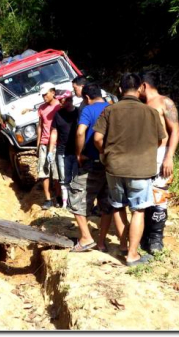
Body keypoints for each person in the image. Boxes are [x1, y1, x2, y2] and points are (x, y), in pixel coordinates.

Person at [93, 73, 165, 266]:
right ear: (140, 88)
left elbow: (97, 139)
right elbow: (160, 140)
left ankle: (123, 246)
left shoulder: (110, 111)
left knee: (118, 206)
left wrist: (106, 154)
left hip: (114, 167)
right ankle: (132, 255)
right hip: (140, 170)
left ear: (119, 89)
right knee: (138, 210)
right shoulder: (151, 112)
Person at [67, 82, 114, 252]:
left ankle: (86, 238)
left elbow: (80, 132)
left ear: (87, 97)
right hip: (110, 164)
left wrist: (79, 153)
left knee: (75, 197)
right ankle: (101, 243)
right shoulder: (112, 107)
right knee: (106, 204)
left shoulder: (88, 109)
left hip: (92, 162)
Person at [139, 70, 179, 254]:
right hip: (142, 157)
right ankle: (144, 235)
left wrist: (168, 156)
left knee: (159, 197)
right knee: (143, 197)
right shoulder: (141, 104)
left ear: (143, 85)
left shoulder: (165, 102)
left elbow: (175, 131)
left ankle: (156, 239)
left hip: (160, 155)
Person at [48, 90, 79, 210]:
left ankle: (75, 202)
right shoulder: (58, 114)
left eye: (62, 100)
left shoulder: (78, 113)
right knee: (64, 179)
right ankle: (65, 204)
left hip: (76, 151)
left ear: (69, 100)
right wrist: (51, 150)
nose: (60, 102)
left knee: (76, 178)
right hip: (62, 151)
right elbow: (54, 132)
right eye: (59, 100)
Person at [37, 82, 61, 210]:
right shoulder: (41, 108)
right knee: (44, 172)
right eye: (42, 95)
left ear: (53, 92)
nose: (44, 97)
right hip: (44, 144)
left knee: (56, 173)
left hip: (57, 144)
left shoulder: (59, 107)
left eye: (45, 94)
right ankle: (47, 198)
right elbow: (40, 126)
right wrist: (38, 144)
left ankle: (58, 196)